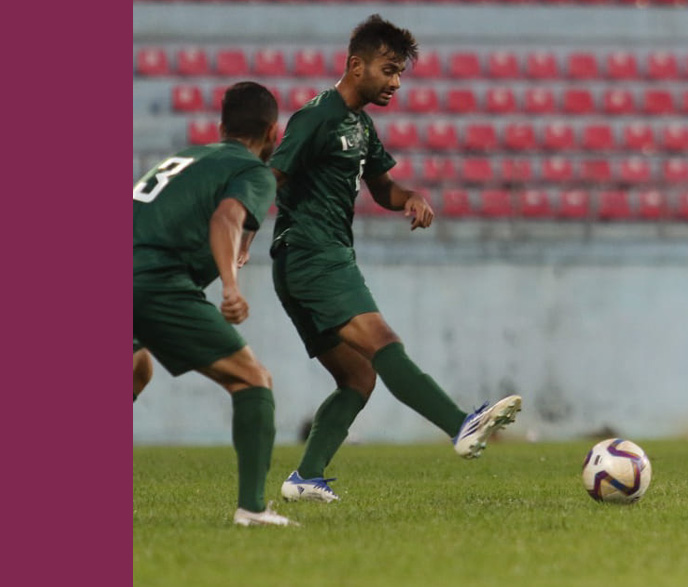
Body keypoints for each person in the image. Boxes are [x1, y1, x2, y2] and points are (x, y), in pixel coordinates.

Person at [269, 14, 521, 503]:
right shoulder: (316, 117)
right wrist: (239, 232)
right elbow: (273, 176)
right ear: (355, 64)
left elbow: (382, 187)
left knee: (358, 377)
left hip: (313, 259)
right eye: (388, 70)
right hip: (311, 253)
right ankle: (459, 425)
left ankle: (304, 478)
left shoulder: (360, 126)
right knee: (382, 341)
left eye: (400, 72)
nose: (396, 82)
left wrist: (409, 198)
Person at [133, 81, 296, 526]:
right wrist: (229, 285)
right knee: (253, 380)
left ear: (221, 126)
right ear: (273, 133)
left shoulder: (186, 157)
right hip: (153, 281)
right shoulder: (254, 172)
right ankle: (253, 509)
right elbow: (226, 217)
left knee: (136, 367)